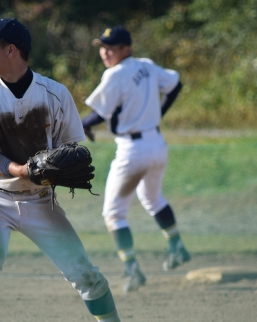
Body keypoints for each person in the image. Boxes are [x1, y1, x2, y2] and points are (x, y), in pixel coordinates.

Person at [0, 18, 152, 322]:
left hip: (39, 199)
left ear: (10, 50)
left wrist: (60, 168)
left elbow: (73, 150)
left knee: (84, 273)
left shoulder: (55, 94)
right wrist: (22, 169)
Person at [81, 26, 191, 293]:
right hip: (157, 145)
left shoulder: (115, 73)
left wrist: (81, 125)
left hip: (132, 152)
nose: (105, 52)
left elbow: (99, 114)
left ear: (126, 49)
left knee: (114, 213)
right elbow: (175, 84)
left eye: (111, 47)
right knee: (153, 199)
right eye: (102, 47)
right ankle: (176, 245)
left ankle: (131, 268)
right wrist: (159, 112)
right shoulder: (147, 65)